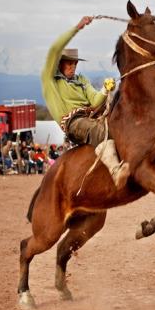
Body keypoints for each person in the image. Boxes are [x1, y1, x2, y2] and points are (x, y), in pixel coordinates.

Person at [41, 15, 129, 188]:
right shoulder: (51, 81)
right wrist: (77, 27)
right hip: (75, 123)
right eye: (68, 63)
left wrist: (104, 89)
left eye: (74, 63)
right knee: (99, 130)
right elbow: (53, 50)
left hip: (93, 114)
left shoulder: (82, 79)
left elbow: (96, 101)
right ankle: (116, 171)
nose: (73, 67)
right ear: (59, 64)